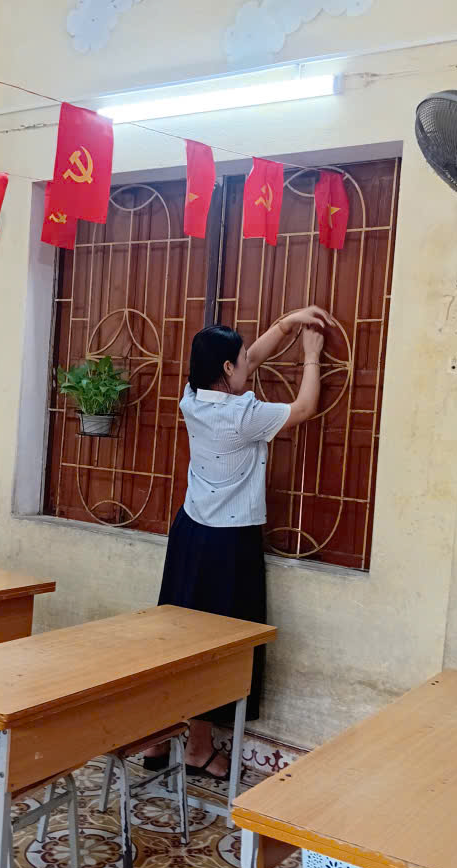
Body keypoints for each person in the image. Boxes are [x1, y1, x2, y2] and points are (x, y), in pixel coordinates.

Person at [148, 306, 332, 778]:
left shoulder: (192, 397)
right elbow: (304, 408)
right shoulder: (241, 415)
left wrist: (287, 325)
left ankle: (156, 737)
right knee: (218, 647)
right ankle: (198, 748)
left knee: (179, 639)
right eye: (241, 359)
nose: (250, 362)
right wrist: (311, 353)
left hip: (190, 534)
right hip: (228, 545)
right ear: (227, 368)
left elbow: (249, 359)